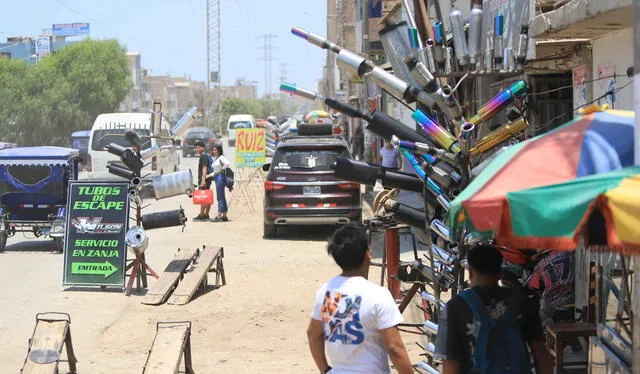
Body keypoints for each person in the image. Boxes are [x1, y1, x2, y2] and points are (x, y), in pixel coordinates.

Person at [307, 223, 413, 374]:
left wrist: (325, 370)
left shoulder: (326, 293)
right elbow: (394, 348)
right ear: (368, 254)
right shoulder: (378, 295)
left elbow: (313, 334)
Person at [434, 244, 551, 374]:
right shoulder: (521, 301)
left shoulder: (455, 307)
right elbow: (540, 354)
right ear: (500, 273)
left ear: (471, 272)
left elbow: (450, 363)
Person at [207, 144, 231, 222]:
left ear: (219, 151)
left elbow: (227, 164)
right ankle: (224, 215)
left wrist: (222, 170)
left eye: (215, 150)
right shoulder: (216, 159)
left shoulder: (221, 158)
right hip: (218, 177)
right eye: (213, 150)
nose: (214, 152)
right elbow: (216, 171)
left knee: (220, 197)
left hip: (220, 178)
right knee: (222, 197)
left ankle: (219, 215)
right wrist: (208, 175)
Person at [193, 140, 213, 221]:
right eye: (195, 148)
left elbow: (204, 168)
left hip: (205, 180)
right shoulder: (207, 155)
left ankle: (201, 215)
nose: (196, 149)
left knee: (203, 197)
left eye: (198, 148)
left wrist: (203, 180)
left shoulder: (203, 156)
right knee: (207, 197)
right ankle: (206, 214)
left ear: (203, 148)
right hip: (208, 179)